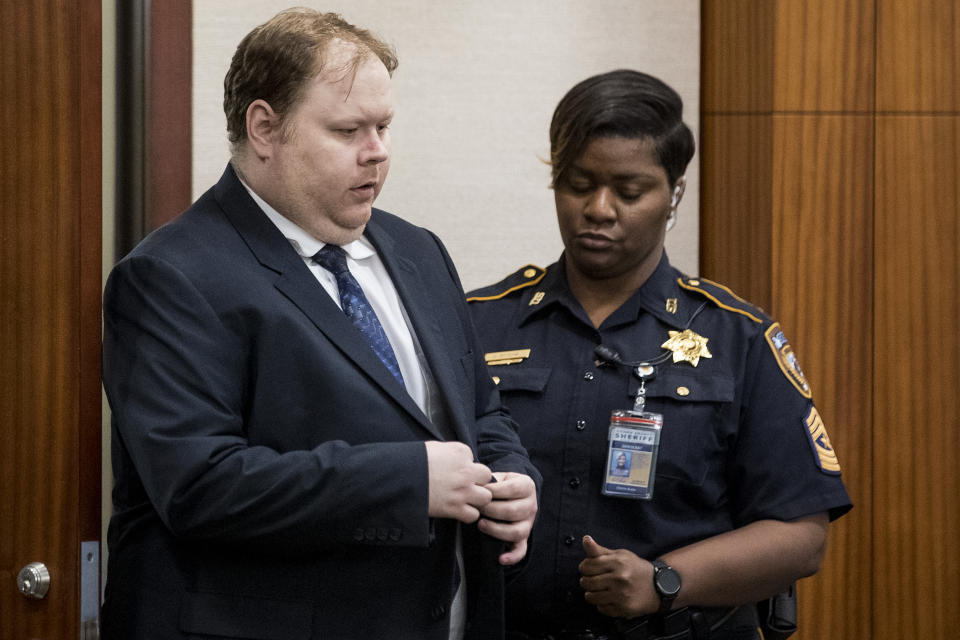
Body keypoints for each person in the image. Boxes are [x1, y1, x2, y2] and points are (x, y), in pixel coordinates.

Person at [101, 9, 539, 640]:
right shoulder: (172, 276)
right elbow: (200, 484)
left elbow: (477, 413)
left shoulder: (418, 252)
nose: (378, 152)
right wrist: (409, 480)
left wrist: (515, 477)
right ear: (263, 128)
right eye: (347, 130)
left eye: (384, 126)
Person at [467, 70, 851, 639]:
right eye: (577, 184)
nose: (598, 209)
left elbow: (801, 534)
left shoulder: (738, 338)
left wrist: (665, 580)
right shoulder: (481, 322)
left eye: (628, 191)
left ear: (674, 192)